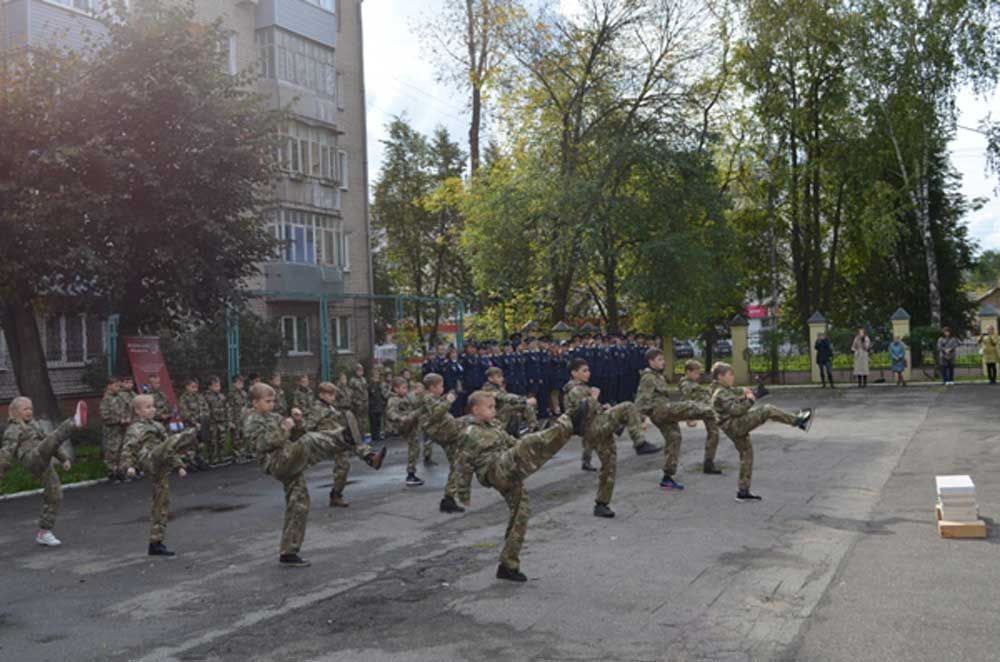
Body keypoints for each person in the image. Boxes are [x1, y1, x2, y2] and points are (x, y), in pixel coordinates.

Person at [461, 390, 588, 582]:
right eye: (489, 407)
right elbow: (463, 463)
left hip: (507, 468)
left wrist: (520, 447)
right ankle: (568, 424)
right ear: (475, 409)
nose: (494, 411)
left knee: (522, 511)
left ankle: (508, 565)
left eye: (494, 406)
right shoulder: (471, 432)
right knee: (529, 442)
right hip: (494, 470)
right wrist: (462, 492)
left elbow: (511, 442)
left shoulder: (493, 426)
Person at [244, 383, 360, 567]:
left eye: (273, 401)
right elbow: (263, 444)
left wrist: (297, 422)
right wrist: (285, 428)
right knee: (309, 441)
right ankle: (345, 439)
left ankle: (288, 552)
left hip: (288, 457)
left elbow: (296, 433)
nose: (272, 404)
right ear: (255, 402)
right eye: (267, 401)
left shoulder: (273, 416)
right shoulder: (252, 420)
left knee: (299, 503)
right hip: (276, 462)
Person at [710, 362, 813, 501]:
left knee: (747, 455)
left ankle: (743, 492)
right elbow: (736, 410)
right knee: (767, 410)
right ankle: (798, 421)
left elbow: (736, 393)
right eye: (730, 374)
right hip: (735, 425)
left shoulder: (723, 389)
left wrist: (749, 392)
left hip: (732, 427)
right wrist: (752, 400)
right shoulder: (721, 392)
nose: (733, 377)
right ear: (720, 376)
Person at [563, 358, 647, 517]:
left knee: (609, 465)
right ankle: (639, 443)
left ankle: (601, 503)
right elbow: (581, 414)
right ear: (574, 373)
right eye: (584, 370)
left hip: (599, 428)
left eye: (588, 370)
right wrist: (594, 398)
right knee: (628, 406)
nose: (588, 373)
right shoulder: (574, 390)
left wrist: (602, 407)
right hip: (593, 429)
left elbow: (593, 409)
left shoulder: (583, 388)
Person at [0, 398, 87, 546]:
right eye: (25, 409)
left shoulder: (34, 425)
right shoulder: (13, 430)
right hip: (31, 459)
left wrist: (64, 458)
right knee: (51, 439)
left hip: (43, 460)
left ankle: (44, 532)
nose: (29, 412)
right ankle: (73, 422)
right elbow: (6, 451)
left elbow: (49, 442)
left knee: (55, 493)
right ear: (15, 412)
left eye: (31, 408)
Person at [122, 395, 198, 556]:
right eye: (147, 407)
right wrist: (129, 466)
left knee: (161, 504)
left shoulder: (158, 426)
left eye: (153, 406)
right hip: (149, 459)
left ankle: (156, 543)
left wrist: (179, 466)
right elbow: (129, 448)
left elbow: (168, 449)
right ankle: (189, 435)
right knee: (165, 446)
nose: (152, 409)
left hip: (161, 466)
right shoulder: (136, 428)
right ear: (137, 411)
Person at [635, 352, 713, 489]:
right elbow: (642, 400)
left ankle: (667, 477)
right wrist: (640, 421)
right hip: (658, 411)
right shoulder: (648, 377)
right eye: (659, 359)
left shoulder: (659, 376)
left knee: (675, 438)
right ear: (650, 361)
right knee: (689, 406)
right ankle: (717, 411)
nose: (663, 362)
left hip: (665, 412)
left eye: (663, 359)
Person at [305, 382, 386, 508]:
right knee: (352, 444)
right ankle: (370, 458)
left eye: (333, 394)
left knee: (344, 466)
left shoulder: (331, 407)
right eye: (329, 394)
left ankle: (336, 495)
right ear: (321, 395)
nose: (333, 397)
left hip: (338, 439)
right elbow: (308, 427)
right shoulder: (317, 409)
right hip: (327, 440)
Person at [416, 373, 474, 514]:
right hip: (445, 432)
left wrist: (445, 398)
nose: (442, 388)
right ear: (432, 387)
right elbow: (436, 413)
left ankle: (448, 499)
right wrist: (448, 401)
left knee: (457, 464)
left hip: (447, 432)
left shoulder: (431, 397)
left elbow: (435, 407)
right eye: (440, 386)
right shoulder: (427, 397)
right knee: (472, 420)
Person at [676, 360, 725, 475]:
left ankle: (709, 462)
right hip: (701, 411)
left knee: (714, 434)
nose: (698, 376)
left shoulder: (691, 383)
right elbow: (686, 400)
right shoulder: (686, 385)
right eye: (696, 373)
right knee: (714, 434)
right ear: (688, 372)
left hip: (706, 410)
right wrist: (689, 418)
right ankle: (708, 463)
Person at [385, 376, 424, 486]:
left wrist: (418, 393)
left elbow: (415, 401)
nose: (405, 390)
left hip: (412, 425)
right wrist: (398, 418)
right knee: (414, 447)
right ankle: (410, 474)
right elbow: (390, 413)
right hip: (404, 424)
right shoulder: (393, 400)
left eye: (406, 388)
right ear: (396, 389)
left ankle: (412, 473)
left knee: (415, 447)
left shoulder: (407, 397)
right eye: (403, 388)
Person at [482, 367, 537, 435]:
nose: (502, 379)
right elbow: (504, 397)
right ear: (490, 378)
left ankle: (533, 428)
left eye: (502, 376)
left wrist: (523, 401)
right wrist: (523, 400)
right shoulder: (488, 388)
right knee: (513, 406)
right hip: (495, 414)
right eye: (499, 377)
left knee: (525, 406)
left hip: (503, 411)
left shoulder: (498, 387)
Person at [100, 376, 130, 481]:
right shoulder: (106, 400)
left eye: (119, 386)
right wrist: (118, 420)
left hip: (122, 429)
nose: (118, 388)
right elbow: (105, 416)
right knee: (112, 452)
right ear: (109, 386)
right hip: (112, 431)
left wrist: (127, 418)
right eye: (116, 386)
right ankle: (112, 472)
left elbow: (127, 409)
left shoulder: (120, 398)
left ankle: (121, 471)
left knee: (123, 451)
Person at [178, 377, 209, 470]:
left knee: (200, 444)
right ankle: (190, 463)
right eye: (193, 387)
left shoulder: (200, 397)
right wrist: (194, 422)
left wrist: (203, 420)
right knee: (190, 444)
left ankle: (200, 460)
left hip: (200, 423)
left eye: (196, 387)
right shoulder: (183, 398)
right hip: (190, 425)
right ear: (187, 387)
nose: (195, 389)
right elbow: (184, 413)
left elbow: (205, 408)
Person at [204, 376, 229, 465]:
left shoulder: (222, 396)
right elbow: (205, 410)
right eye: (215, 386)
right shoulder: (206, 397)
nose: (218, 388)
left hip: (221, 421)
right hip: (212, 422)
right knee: (212, 440)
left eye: (219, 386)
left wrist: (227, 420)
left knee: (221, 439)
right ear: (210, 387)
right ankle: (212, 459)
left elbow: (226, 408)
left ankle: (221, 457)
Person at [227, 375, 249, 461]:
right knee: (236, 438)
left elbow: (246, 405)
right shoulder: (231, 394)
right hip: (235, 419)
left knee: (243, 436)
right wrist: (230, 421)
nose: (241, 384)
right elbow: (229, 408)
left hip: (243, 419)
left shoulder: (244, 393)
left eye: (242, 382)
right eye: (238, 382)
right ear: (234, 384)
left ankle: (242, 453)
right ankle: (236, 456)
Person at [368, 368, 389, 442]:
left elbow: (383, 394)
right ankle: (374, 437)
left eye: (378, 374)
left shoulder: (380, 384)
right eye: (375, 374)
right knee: (373, 423)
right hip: (373, 406)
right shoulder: (370, 384)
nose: (377, 376)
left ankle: (378, 435)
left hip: (379, 405)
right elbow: (371, 393)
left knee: (379, 422)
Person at [348, 363, 370, 434]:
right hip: (357, 404)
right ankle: (358, 436)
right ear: (356, 371)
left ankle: (363, 435)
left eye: (361, 370)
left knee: (365, 421)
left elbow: (365, 390)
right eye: (359, 370)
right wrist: (355, 401)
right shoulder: (352, 380)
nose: (361, 372)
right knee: (358, 421)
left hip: (365, 403)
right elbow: (350, 393)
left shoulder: (364, 379)